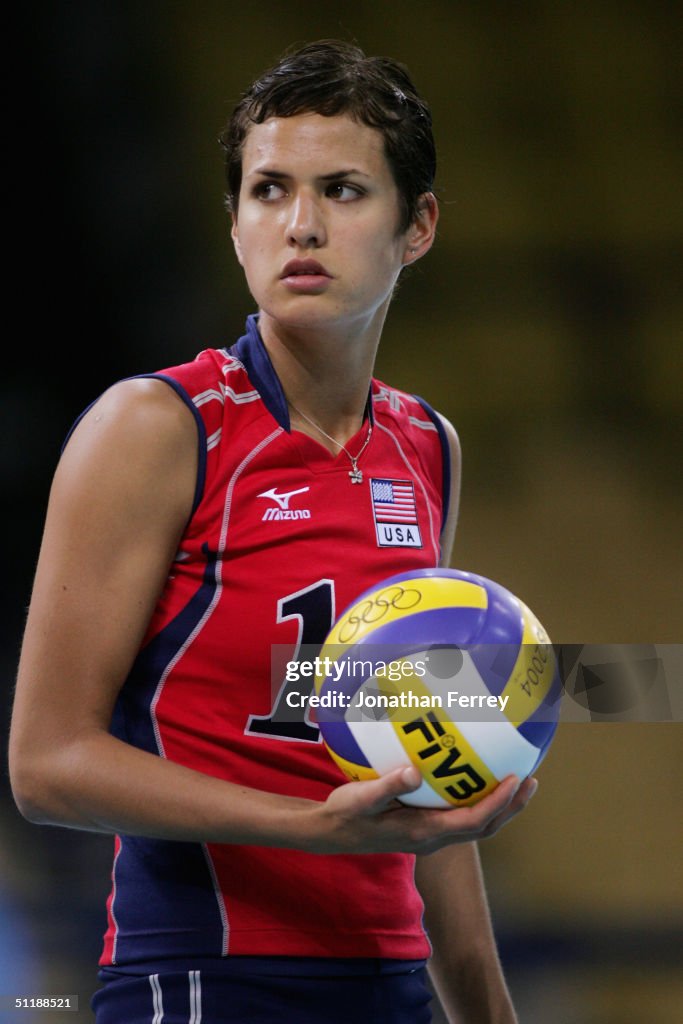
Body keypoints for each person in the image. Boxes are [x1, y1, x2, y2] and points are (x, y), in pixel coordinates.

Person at [9, 40, 536, 1024]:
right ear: (234, 222)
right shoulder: (157, 428)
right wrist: (309, 827)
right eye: (266, 191)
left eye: (341, 190)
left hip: (391, 990)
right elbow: (45, 763)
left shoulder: (427, 446)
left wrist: (486, 1011)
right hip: (201, 980)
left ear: (415, 225)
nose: (299, 225)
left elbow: (425, 789)